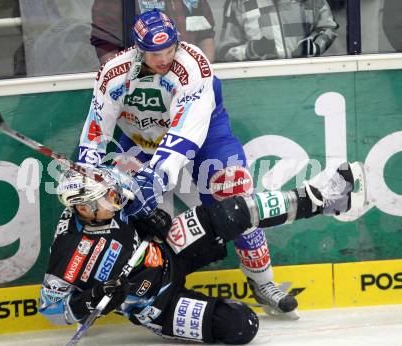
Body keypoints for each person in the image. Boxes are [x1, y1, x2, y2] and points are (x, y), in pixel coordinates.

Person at [78, 8, 301, 319]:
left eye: (170, 49)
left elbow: (186, 130)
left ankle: (263, 282)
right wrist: (89, 170)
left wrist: (157, 173)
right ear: (139, 49)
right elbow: (96, 129)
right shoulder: (114, 73)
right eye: (156, 53)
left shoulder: (194, 64)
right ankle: (157, 291)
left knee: (233, 190)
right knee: (139, 211)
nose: (164, 58)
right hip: (141, 141)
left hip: (206, 134)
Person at [39, 160, 364, 343]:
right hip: (156, 304)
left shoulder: (110, 197)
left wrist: (147, 212)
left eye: (113, 192)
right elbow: (51, 309)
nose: (117, 198)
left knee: (232, 212)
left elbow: (139, 178)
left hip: (169, 249)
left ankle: (321, 197)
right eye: (108, 197)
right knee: (240, 327)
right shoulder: (69, 250)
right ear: (85, 208)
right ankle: (217, 307)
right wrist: (91, 298)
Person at [91, 0, 216, 63]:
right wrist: (127, 85)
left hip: (188, 82)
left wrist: (202, 72)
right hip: (141, 89)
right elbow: (106, 47)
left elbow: (206, 36)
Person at [217, 0, 339, 62]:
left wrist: (314, 46)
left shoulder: (309, 1)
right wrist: (251, 50)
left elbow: (328, 27)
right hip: (259, 82)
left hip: (306, 76)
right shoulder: (239, 3)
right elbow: (225, 51)